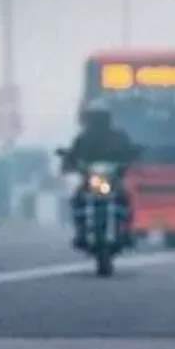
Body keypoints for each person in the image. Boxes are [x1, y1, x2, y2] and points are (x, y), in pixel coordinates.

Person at [63, 101, 140, 249]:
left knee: (125, 199)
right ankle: (81, 232)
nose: (98, 120)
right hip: (91, 178)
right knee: (77, 199)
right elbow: (73, 155)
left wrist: (133, 155)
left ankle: (126, 232)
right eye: (95, 117)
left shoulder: (118, 136)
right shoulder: (83, 138)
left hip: (112, 178)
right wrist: (69, 161)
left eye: (101, 117)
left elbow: (129, 151)